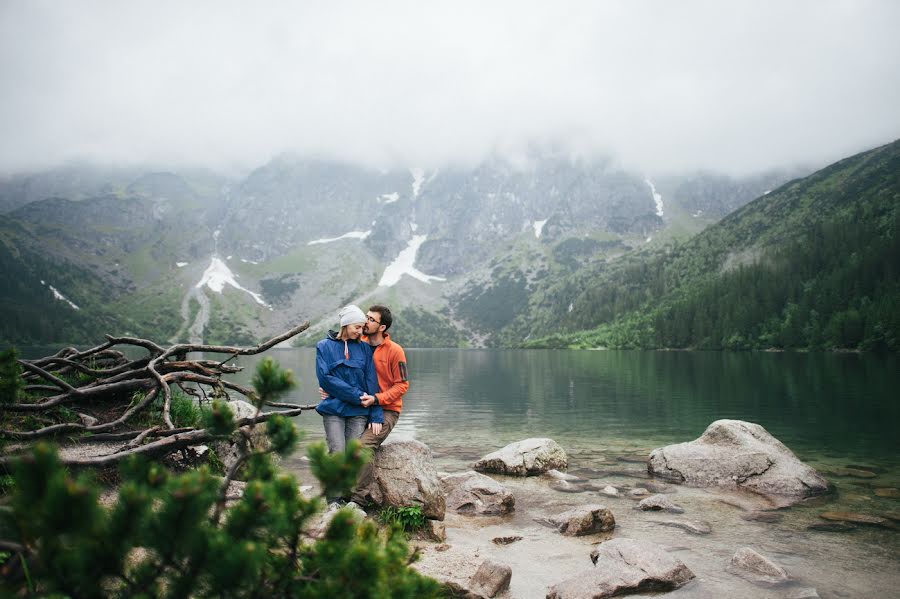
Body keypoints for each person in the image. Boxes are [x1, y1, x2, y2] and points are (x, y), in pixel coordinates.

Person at [351, 304, 409, 503]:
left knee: (362, 447)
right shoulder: (358, 343)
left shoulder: (395, 351)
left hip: (387, 410)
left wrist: (377, 399)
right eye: (366, 317)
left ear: (382, 327)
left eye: (371, 319)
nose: (365, 322)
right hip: (359, 406)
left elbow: (402, 385)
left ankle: (358, 500)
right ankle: (338, 494)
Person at [315, 305, 384, 455]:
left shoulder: (364, 348)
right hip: (333, 409)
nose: (360, 331)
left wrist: (376, 415)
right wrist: (358, 396)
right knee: (337, 453)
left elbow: (371, 381)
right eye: (357, 327)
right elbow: (325, 379)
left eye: (362, 327)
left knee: (354, 456)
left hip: (358, 412)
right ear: (345, 324)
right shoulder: (324, 346)